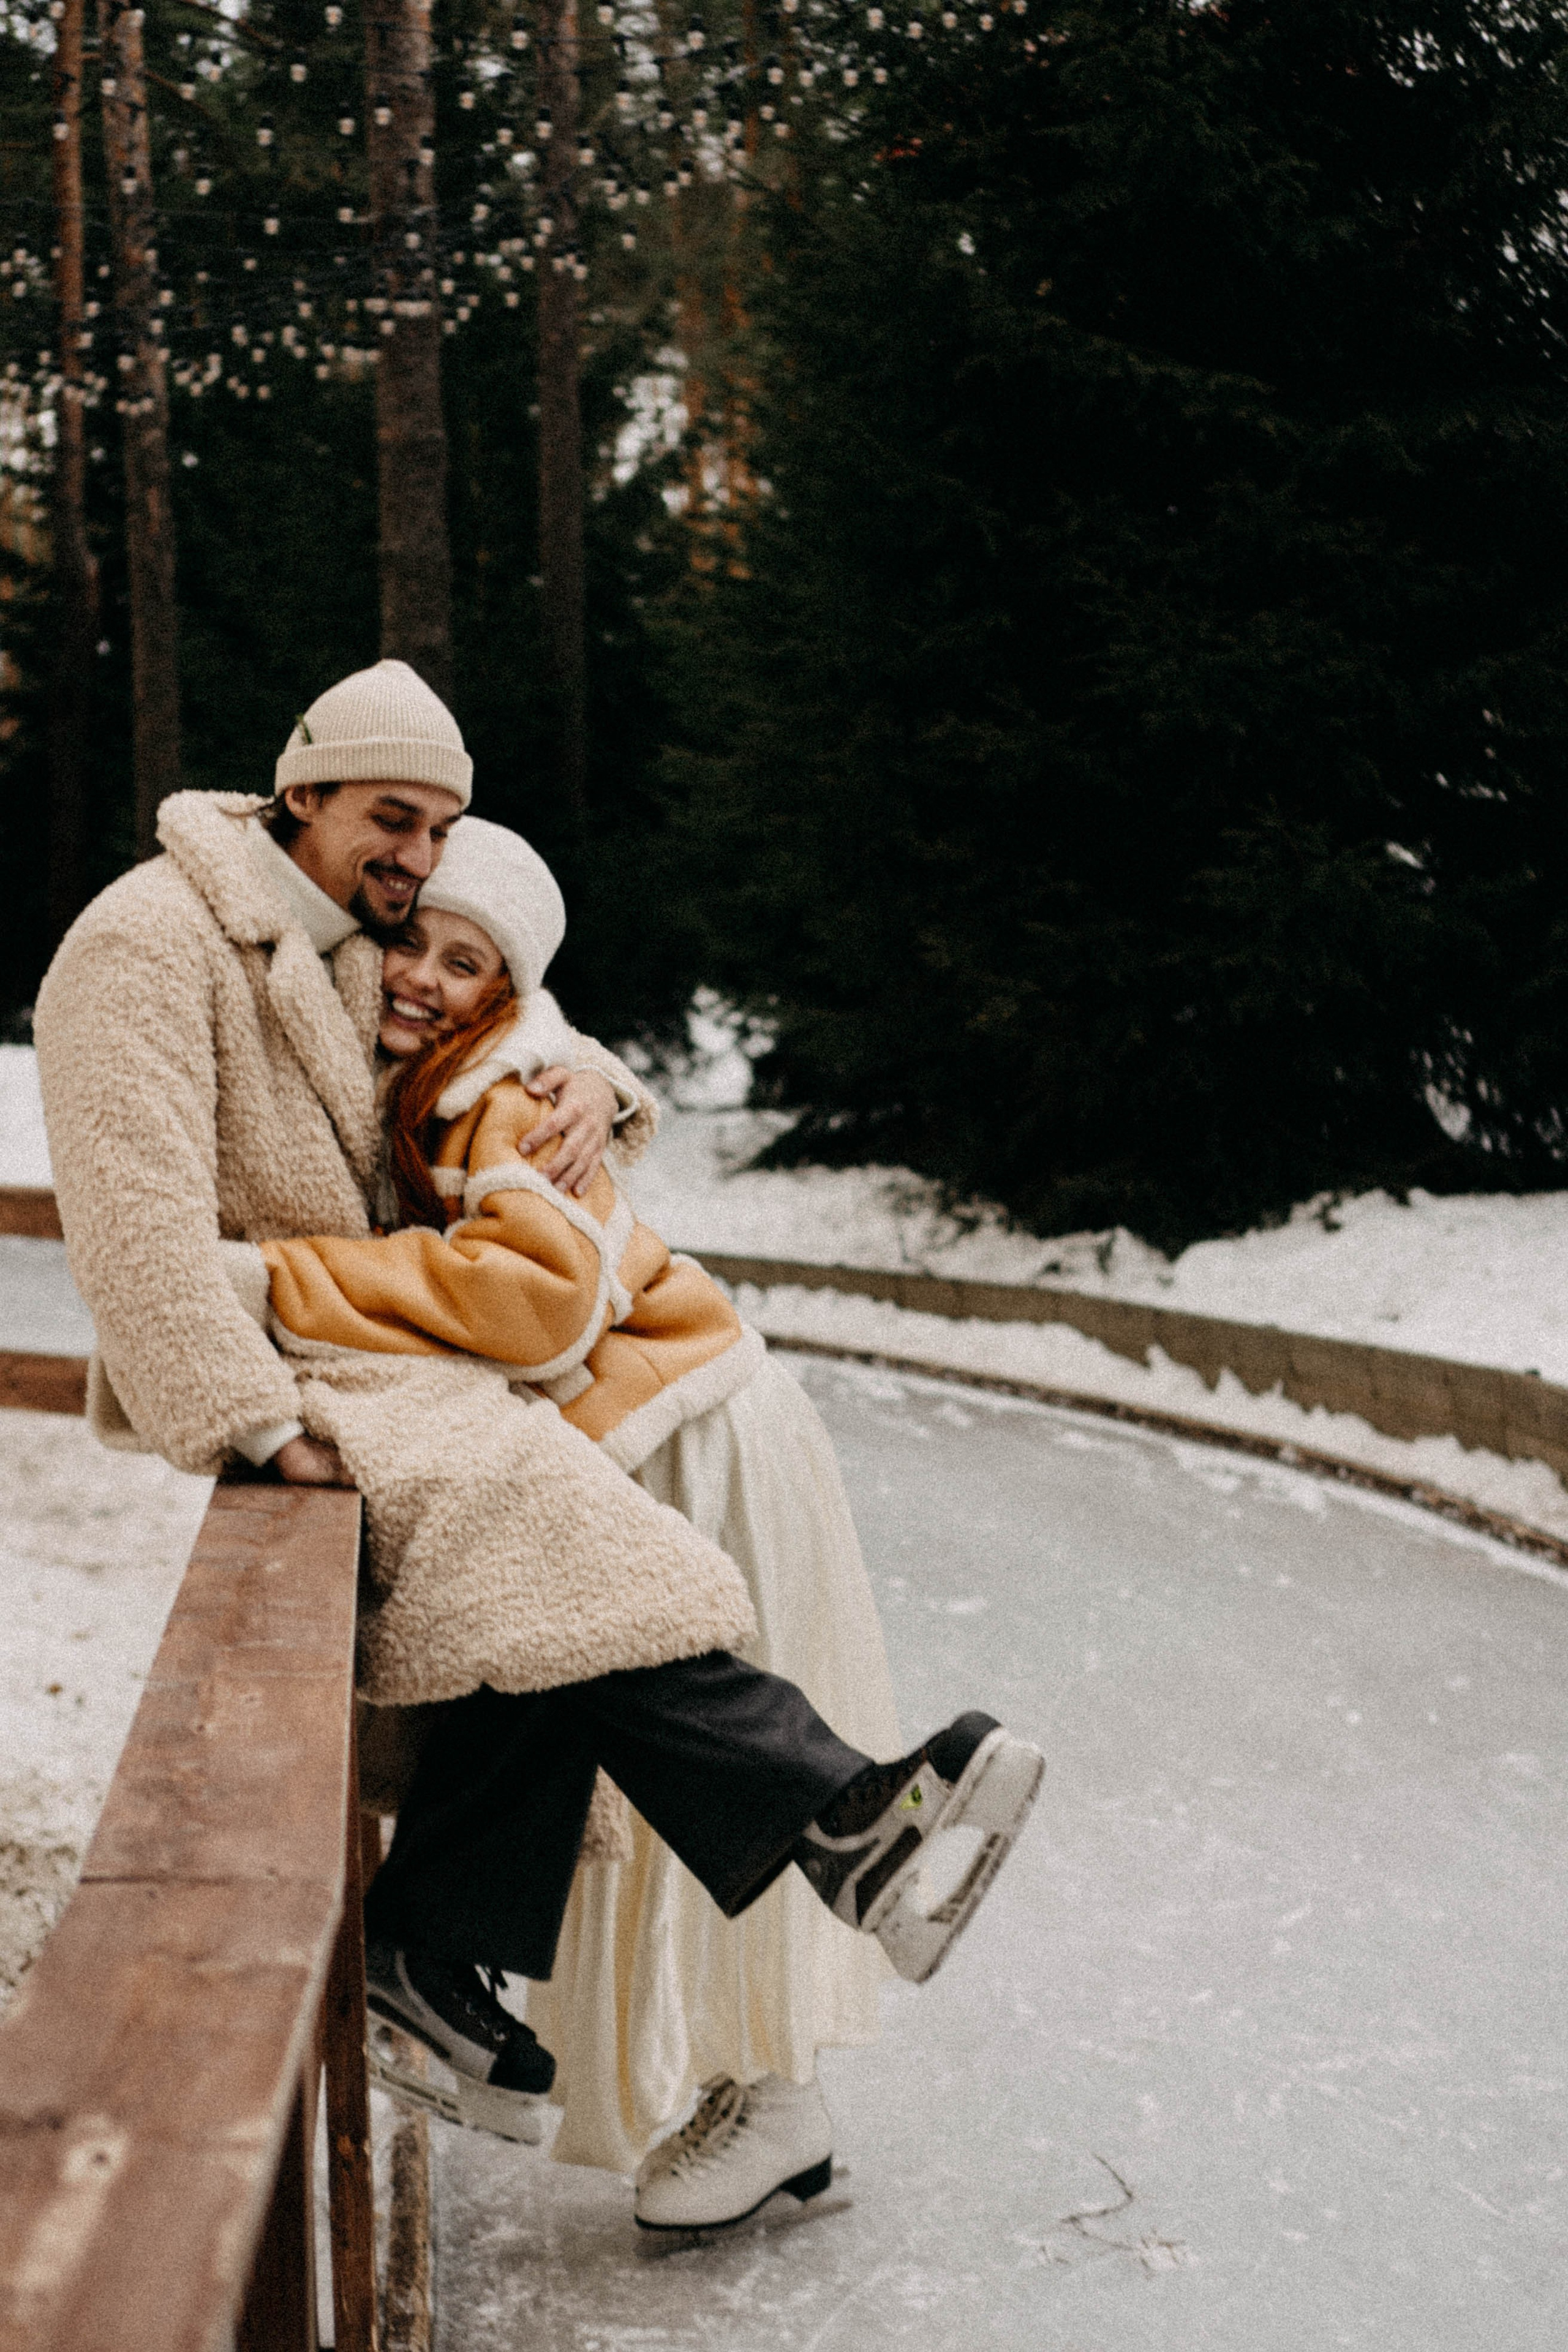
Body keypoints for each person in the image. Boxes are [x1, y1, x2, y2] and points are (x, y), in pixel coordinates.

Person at [33, 661, 1042, 2237]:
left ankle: (488, 1946)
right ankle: (815, 1840)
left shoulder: (355, 928)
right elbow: (130, 1216)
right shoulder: (147, 942)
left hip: (406, 1365)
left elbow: (494, 1015)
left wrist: (595, 1082)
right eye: (393, 817)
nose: (419, 858)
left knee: (554, 1589)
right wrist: (243, 1418)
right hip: (319, 1374)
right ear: (301, 790)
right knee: (549, 1557)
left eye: (438, 826)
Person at [257, 815, 909, 2227]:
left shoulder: (497, 1079)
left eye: (463, 961)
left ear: (506, 992)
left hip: (683, 1428)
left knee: (657, 1731)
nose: (420, 976)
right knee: (591, 1708)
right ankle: (496, 1978)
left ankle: (774, 2078)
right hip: (644, 1418)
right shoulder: (452, 1065)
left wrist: (286, 1282)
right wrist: (594, 1075)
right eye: (407, 942)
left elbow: (534, 1294)